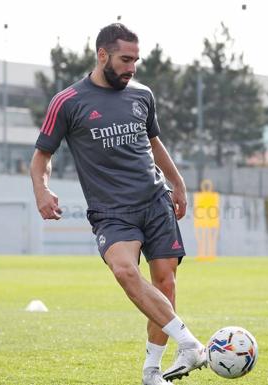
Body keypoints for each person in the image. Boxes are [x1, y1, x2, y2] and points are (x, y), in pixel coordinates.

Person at [29, 23, 206, 385]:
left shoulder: (142, 95)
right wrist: (42, 190)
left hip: (155, 201)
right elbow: (41, 156)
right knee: (125, 271)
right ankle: (189, 343)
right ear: (102, 55)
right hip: (112, 211)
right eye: (126, 59)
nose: (132, 67)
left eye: (136, 60)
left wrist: (178, 182)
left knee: (166, 284)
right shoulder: (68, 102)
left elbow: (154, 142)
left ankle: (152, 372)